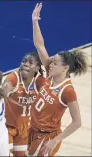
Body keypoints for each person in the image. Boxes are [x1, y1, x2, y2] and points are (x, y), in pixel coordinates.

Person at [26, 3, 88, 156]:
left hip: (46, 137)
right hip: (32, 129)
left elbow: (77, 122)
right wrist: (35, 22)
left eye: (55, 63)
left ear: (65, 68)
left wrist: (56, 140)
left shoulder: (68, 91)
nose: (50, 64)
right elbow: (39, 45)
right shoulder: (49, 72)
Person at [0, 51, 44, 156]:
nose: (25, 64)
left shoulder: (40, 81)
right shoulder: (13, 77)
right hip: (6, 127)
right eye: (24, 61)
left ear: (37, 68)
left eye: (30, 62)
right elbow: (5, 88)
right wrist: (3, 91)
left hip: (24, 129)